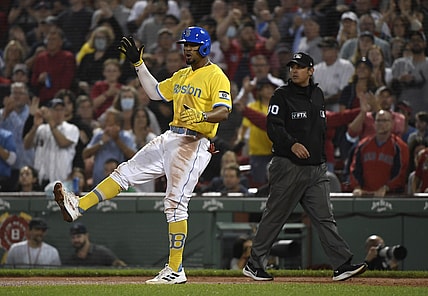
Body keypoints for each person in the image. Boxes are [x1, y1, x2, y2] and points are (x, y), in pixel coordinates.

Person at [53, 26, 231, 284]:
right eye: (185, 45)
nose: (187, 49)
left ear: (204, 47)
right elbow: (156, 92)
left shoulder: (216, 76)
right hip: (170, 136)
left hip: (194, 142)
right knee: (124, 172)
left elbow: (223, 111)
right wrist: (138, 64)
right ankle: (78, 205)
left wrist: (203, 116)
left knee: (175, 204)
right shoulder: (182, 75)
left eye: (191, 45)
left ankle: (175, 269)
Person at [242, 52, 368, 282]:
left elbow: (321, 129)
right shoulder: (281, 95)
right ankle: (254, 264)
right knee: (275, 217)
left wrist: (319, 157)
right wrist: (292, 144)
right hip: (288, 165)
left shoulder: (318, 94)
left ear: (311, 70)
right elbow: (273, 128)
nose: (294, 70)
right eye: (292, 67)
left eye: (300, 67)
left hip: (316, 168)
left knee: (324, 218)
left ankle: (341, 264)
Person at [350, 110, 409, 196]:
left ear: (392, 124)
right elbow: (355, 168)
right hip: (364, 194)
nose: (381, 124)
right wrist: (357, 186)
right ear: (374, 123)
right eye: (378, 121)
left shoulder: (400, 147)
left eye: (385, 120)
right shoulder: (363, 145)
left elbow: (401, 172)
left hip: (390, 195)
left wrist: (386, 188)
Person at [23, 98, 80, 188]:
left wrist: (51, 123)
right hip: (41, 180)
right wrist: (35, 126)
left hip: (62, 181)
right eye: (55, 110)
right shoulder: (42, 129)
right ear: (49, 111)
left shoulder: (71, 129)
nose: (58, 113)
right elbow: (26, 145)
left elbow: (62, 143)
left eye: (61, 110)